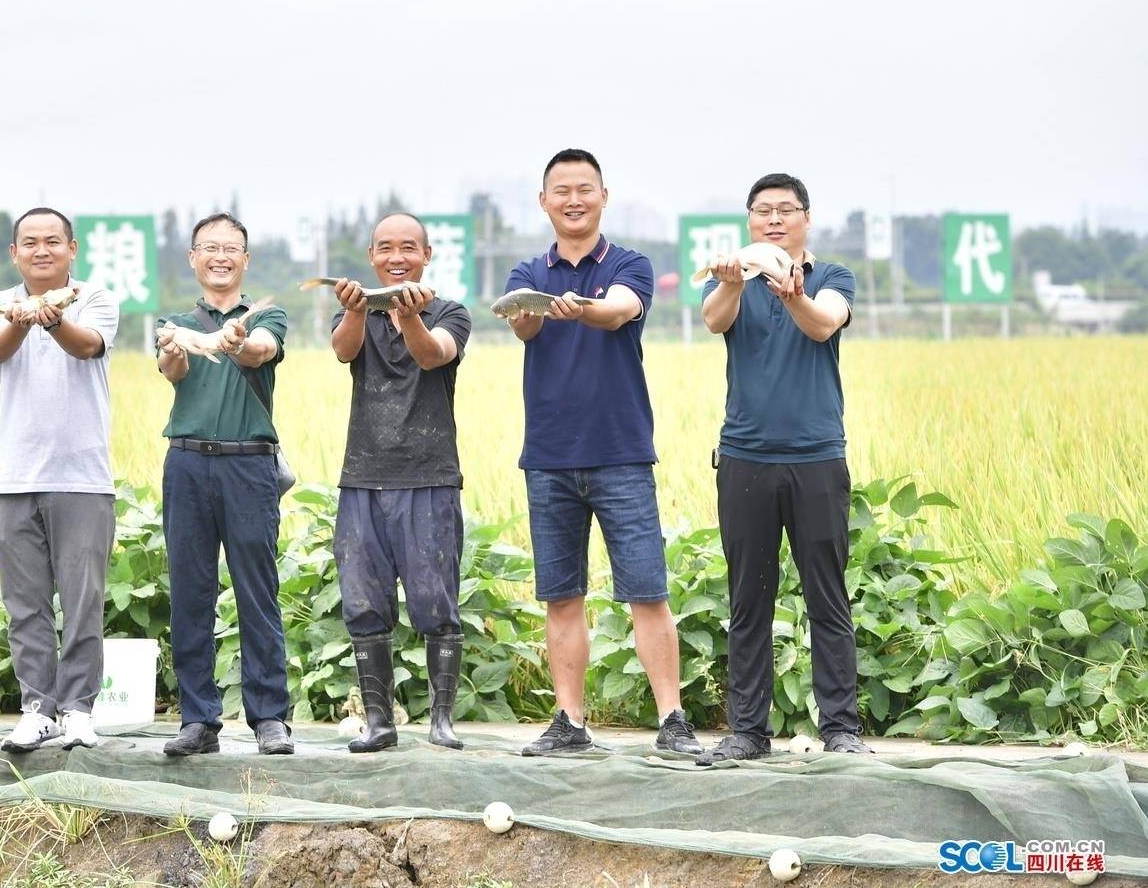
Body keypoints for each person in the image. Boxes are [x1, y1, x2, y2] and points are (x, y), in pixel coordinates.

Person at [502, 149, 703, 757]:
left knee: (647, 590)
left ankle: (672, 719)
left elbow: (620, 311)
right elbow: (522, 322)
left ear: (603, 196)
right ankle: (569, 722)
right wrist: (537, 310)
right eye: (561, 190)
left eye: (584, 188)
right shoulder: (527, 272)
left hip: (621, 454)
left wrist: (581, 308)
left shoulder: (629, 264)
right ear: (544, 202)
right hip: (549, 458)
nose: (573, 200)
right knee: (561, 595)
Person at [697, 173, 869, 763]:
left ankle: (841, 727)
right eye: (763, 210)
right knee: (749, 599)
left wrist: (793, 295)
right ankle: (748, 731)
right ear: (749, 220)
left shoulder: (832, 278)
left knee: (828, 595)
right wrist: (734, 283)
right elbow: (714, 320)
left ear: (806, 218)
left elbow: (823, 324)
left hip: (816, 457)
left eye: (786, 209)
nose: (774, 219)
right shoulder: (731, 276)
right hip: (744, 456)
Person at [0, 207, 120, 754]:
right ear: (15, 253)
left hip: (83, 477)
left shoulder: (94, 298)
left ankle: (79, 709)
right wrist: (22, 316)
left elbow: (86, 346)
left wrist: (53, 317)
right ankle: (38, 709)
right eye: (30, 242)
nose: (42, 250)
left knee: (83, 601)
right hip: (13, 478)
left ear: (71, 249)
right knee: (25, 603)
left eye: (53, 241)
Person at [328, 213, 472, 752]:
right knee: (364, 603)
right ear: (371, 257)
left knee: (437, 600)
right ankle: (379, 722)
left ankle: (441, 720)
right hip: (363, 477)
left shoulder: (449, 313)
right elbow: (343, 350)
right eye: (385, 248)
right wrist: (354, 309)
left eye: (408, 247)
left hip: (429, 475)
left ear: (426, 255)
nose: (396, 257)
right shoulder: (356, 310)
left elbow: (432, 354)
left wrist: (409, 318)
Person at [154, 213, 294, 757]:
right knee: (190, 591)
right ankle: (198, 718)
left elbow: (260, 349)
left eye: (230, 248)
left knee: (256, 590)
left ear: (245, 259)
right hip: (187, 463)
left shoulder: (267, 316)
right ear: (193, 257)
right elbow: (172, 368)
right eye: (209, 248)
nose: (220, 257)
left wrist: (235, 340)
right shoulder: (174, 322)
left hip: (249, 466)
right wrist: (176, 349)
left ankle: (269, 716)